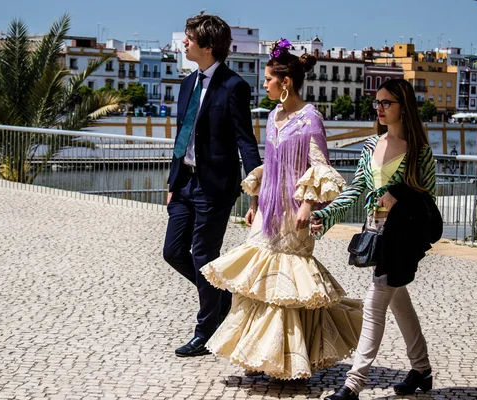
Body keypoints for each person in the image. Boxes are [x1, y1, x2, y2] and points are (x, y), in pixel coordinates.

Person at [200, 39, 363, 380]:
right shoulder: (274, 116)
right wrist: (255, 201)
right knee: (257, 283)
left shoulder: (310, 119)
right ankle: (257, 354)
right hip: (267, 212)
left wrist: (307, 205)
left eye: (268, 80)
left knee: (286, 286)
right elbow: (270, 166)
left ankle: (285, 360)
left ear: (285, 82)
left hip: (293, 216)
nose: (264, 85)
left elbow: (320, 167)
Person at [312, 78, 442, 400]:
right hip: (375, 234)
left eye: (387, 103)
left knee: (375, 303)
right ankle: (421, 370)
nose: (380, 108)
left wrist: (397, 195)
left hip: (402, 238)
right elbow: (356, 190)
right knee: (399, 301)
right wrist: (325, 215)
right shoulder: (371, 146)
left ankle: (353, 385)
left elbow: (428, 198)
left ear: (403, 107)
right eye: (378, 103)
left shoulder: (419, 152)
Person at [163, 14, 262, 358]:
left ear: (207, 46)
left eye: (189, 39)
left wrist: (255, 189)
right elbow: (182, 133)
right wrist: (173, 180)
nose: (184, 43)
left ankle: (205, 331)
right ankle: (220, 299)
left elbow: (245, 140)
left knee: (205, 257)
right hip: (185, 182)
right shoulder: (187, 83)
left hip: (214, 188)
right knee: (173, 252)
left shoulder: (234, 86)